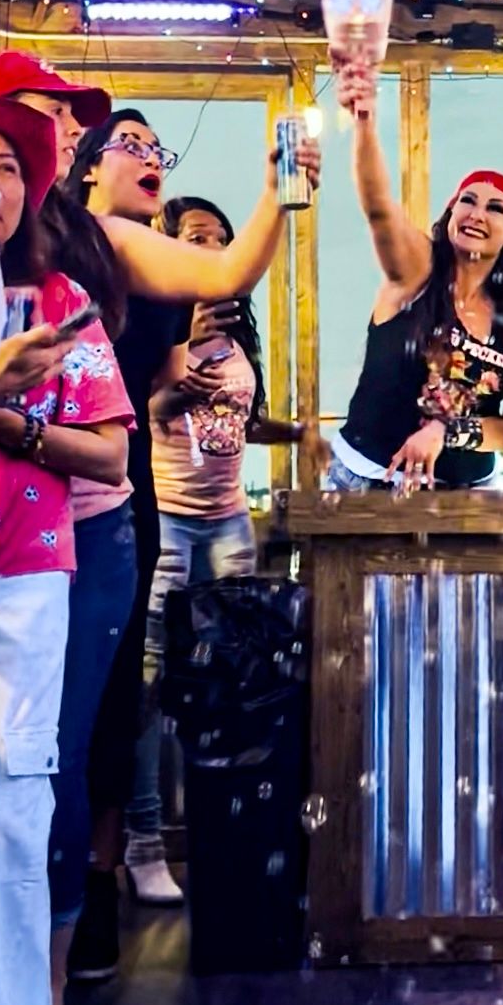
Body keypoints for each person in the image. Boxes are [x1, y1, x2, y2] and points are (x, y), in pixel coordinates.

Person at [0, 53, 319, 993]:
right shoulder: (11, 230)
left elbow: (224, 269)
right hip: (40, 494)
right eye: (40, 110)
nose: (56, 124)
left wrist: (278, 191)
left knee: (77, 729)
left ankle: (69, 934)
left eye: (66, 117)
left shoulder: (90, 248)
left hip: (89, 505)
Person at [0, 97, 133, 1005]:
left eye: (2, 162)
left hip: (30, 559)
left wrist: (14, 427)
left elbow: (112, 452)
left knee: (17, 785)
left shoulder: (56, 298)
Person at [125, 194, 327, 901]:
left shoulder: (239, 340)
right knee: (150, 685)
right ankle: (145, 842)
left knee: (240, 684)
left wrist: (296, 433)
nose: (213, 251)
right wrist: (177, 388)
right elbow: (140, 417)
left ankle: (234, 834)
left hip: (230, 521)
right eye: (197, 239)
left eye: (222, 240)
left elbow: (238, 418)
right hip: (171, 522)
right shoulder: (154, 324)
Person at [329, 61, 503, 494]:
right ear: (450, 212)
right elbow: (379, 208)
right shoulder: (419, 270)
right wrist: (364, 123)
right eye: (467, 201)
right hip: (372, 483)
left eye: (496, 209)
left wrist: (447, 431)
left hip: (468, 497)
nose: (476, 213)